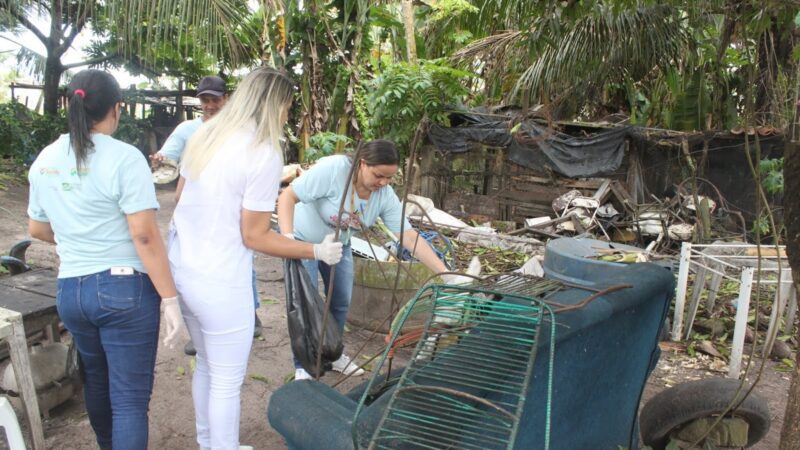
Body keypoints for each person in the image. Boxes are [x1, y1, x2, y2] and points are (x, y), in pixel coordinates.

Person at [168, 67, 343, 450]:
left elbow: (180, 200)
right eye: (287, 106)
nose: (287, 115)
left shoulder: (206, 136)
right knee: (227, 382)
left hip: (183, 270)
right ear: (275, 103)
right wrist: (314, 249)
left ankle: (207, 443)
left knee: (207, 369)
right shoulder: (262, 151)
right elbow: (255, 235)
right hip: (220, 282)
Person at [27, 69, 183, 450]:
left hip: (71, 292)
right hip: (122, 291)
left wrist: (75, 237)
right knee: (129, 399)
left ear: (69, 105)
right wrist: (170, 298)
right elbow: (144, 235)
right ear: (116, 109)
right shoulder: (125, 158)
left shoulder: (44, 159)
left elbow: (37, 229)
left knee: (97, 382)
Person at [277, 139, 470, 381]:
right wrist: (288, 240)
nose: (383, 183)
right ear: (362, 163)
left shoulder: (384, 196)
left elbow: (408, 237)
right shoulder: (334, 171)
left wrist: (447, 274)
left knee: (340, 301)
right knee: (306, 303)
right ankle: (304, 365)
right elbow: (288, 197)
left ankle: (334, 355)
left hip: (339, 245)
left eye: (389, 178)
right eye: (379, 175)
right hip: (304, 240)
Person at [151, 76, 263, 354]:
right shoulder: (189, 130)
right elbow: (169, 158)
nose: (210, 105)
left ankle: (250, 314)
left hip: (229, 212)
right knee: (195, 264)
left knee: (238, 258)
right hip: (196, 213)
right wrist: (160, 159)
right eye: (205, 100)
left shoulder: (240, 131)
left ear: (226, 98)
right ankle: (200, 329)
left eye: (215, 99)